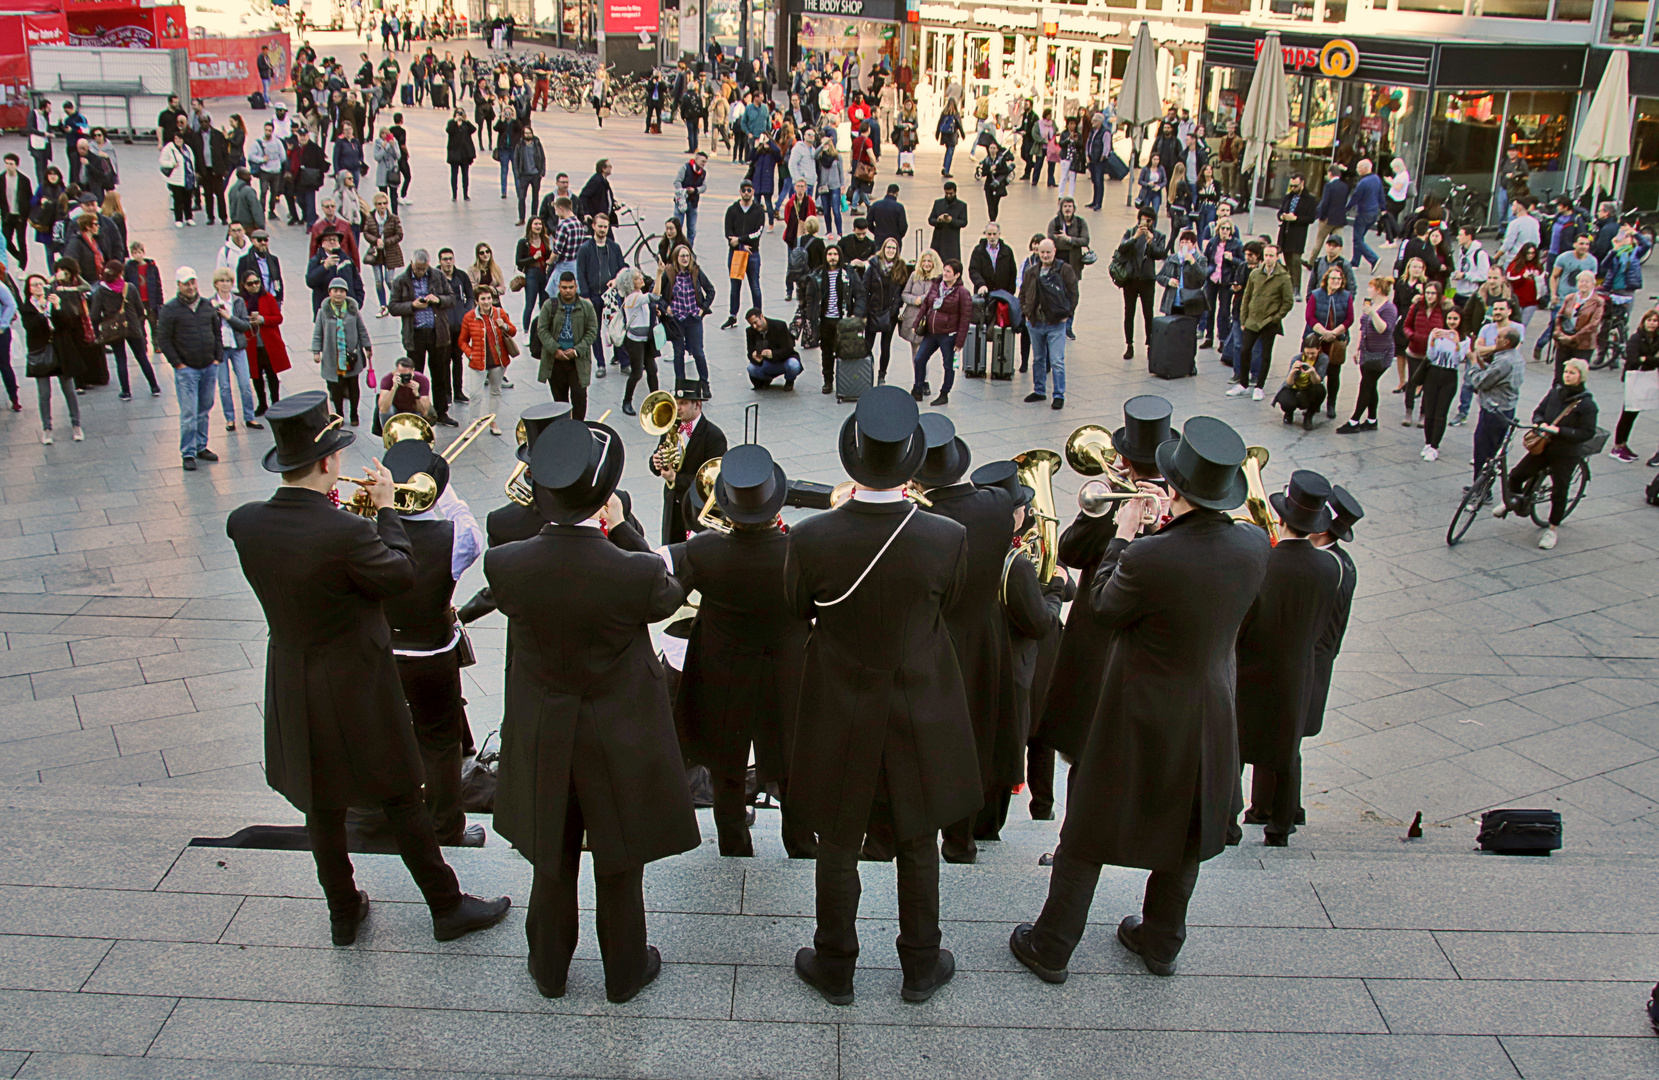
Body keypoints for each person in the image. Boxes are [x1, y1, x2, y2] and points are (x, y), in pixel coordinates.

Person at [228, 392, 511, 949]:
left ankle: (342, 910)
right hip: (356, 680)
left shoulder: (246, 524)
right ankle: (446, 906)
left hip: (291, 677)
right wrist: (384, 508)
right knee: (401, 791)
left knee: (322, 801)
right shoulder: (349, 532)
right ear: (329, 462)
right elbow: (400, 575)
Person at [1012, 416, 1268, 984]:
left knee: (1087, 828)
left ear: (1174, 490)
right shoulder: (1254, 544)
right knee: (1186, 828)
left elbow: (1102, 605)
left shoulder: (1151, 556)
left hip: (1138, 710)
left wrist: (1128, 531)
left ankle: (1052, 946)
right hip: (1209, 712)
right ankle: (1161, 941)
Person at [484, 413, 694, 1002]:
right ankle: (625, 969)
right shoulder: (633, 571)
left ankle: (548, 966)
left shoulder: (506, 564)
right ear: (604, 500)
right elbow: (670, 592)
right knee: (620, 858)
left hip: (545, 725)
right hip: (617, 728)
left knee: (550, 858)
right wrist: (623, 531)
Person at [786, 387, 977, 1007]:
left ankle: (836, 964)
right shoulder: (946, 536)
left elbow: (797, 610)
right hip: (917, 705)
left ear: (854, 459)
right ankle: (921, 963)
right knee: (918, 837)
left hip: (841, 703)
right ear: (910, 462)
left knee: (839, 840)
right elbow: (952, 603)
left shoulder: (813, 537)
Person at [669, 442, 813, 856]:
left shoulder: (702, 548)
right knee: (790, 762)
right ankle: (800, 842)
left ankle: (734, 842)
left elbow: (663, 583)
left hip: (724, 668)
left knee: (726, 763)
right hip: (784, 668)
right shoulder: (797, 550)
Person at [913, 416, 1023, 860]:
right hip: (985, 636)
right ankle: (963, 838)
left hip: (935, 636)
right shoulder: (997, 503)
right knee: (976, 732)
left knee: (931, 737)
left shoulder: (921, 518)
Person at [1234, 470, 1343, 846]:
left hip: (1251, 667)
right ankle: (1280, 826)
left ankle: (1229, 824)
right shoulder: (1331, 567)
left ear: (1281, 519)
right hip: (1298, 669)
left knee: (1235, 746)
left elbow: (1243, 619)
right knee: (1286, 750)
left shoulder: (1262, 561)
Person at [1495, 357, 1598, 550]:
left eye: (1572, 373)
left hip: (1566, 453)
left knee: (1560, 490)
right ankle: (1515, 502)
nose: (1567, 376)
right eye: (1566, 372)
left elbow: (1587, 433)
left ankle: (1552, 529)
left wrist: (1560, 431)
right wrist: (1539, 422)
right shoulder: (1556, 392)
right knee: (1516, 475)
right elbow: (1539, 411)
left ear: (1581, 376)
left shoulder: (1587, 405)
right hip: (1544, 446)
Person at [648, 381, 727, 545]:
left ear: (698, 405)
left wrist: (675, 479)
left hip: (696, 508)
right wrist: (656, 462)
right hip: (673, 504)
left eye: (683, 403)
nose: (678, 409)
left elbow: (711, 481)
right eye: (676, 404)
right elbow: (659, 458)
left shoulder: (713, 436)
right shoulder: (672, 428)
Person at [388, 249, 457, 426]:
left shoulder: (438, 276)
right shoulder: (401, 281)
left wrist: (438, 299)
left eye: (423, 269)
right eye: (418, 269)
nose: (420, 272)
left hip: (437, 333)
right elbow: (393, 307)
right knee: (414, 376)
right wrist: (412, 305)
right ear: (411, 263)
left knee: (440, 374)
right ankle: (415, 412)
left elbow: (451, 298)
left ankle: (441, 412)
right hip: (415, 334)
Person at [20, 271, 84, 443]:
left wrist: (58, 308)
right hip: (41, 352)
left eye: (41, 284)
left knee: (69, 389)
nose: (38, 287)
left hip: (61, 351)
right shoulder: (27, 307)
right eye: (34, 285)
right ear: (29, 289)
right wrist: (41, 312)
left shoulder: (54, 300)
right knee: (44, 393)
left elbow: (68, 324)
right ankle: (47, 428)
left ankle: (76, 425)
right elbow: (31, 328)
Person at [1227, 243, 1295, 400]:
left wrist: (1275, 318)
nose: (1268, 259)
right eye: (1266, 255)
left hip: (1269, 322)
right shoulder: (1255, 274)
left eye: (1271, 256)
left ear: (1277, 257)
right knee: (1245, 350)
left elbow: (1288, 302)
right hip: (1252, 319)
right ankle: (1243, 384)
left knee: (1265, 354)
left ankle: (1259, 386)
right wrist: (1244, 318)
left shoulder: (1283, 277)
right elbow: (1246, 297)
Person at [1021, 238, 1078, 410]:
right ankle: (1039, 390)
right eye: (1042, 252)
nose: (1045, 255)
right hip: (1035, 322)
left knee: (1056, 360)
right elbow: (1023, 292)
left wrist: (1067, 315)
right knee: (1038, 359)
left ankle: (1059, 394)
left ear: (1054, 252)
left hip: (1056, 323)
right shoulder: (1031, 271)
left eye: (1048, 252)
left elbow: (1073, 293)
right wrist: (1025, 312)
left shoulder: (1065, 270)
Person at [1337, 276, 1399, 434]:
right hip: (1367, 351)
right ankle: (1372, 419)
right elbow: (1362, 326)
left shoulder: (1389, 309)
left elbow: (1384, 329)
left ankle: (1354, 420)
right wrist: (1358, 348)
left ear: (1378, 290)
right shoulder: (1372, 304)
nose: (1368, 290)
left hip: (1381, 354)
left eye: (1370, 288)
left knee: (1366, 385)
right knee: (1370, 385)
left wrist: (1373, 314)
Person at [534, 272, 599, 419]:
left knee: (579, 398)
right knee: (560, 402)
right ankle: (564, 428)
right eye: (564, 287)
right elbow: (542, 330)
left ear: (576, 286)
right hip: (555, 362)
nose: (568, 291)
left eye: (571, 287)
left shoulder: (586, 306)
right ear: (559, 287)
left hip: (578, 361)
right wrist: (555, 349)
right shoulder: (550, 305)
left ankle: (578, 427)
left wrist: (577, 350)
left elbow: (592, 331)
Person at [311, 275, 372, 425]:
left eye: (342, 291)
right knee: (336, 387)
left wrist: (367, 347)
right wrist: (316, 351)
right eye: (335, 290)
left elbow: (361, 329)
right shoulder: (323, 311)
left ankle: (354, 414)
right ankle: (339, 414)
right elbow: (318, 332)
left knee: (353, 385)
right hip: (333, 356)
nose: (338, 294)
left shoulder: (353, 310)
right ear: (329, 292)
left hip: (351, 355)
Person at [911, 257, 971, 407]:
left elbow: (965, 318)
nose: (945, 273)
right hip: (931, 332)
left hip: (948, 334)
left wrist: (960, 341)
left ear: (957, 275)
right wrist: (916, 322)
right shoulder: (936, 285)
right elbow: (925, 305)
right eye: (944, 270)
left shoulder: (962, 292)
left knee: (948, 364)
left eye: (948, 271)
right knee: (919, 358)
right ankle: (918, 387)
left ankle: (944, 393)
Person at [658, 244, 715, 396]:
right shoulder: (669, 272)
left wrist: (703, 308)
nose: (685, 259)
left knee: (698, 352)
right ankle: (680, 385)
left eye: (687, 256)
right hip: (676, 319)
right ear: (676, 258)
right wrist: (666, 308)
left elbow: (710, 290)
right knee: (678, 353)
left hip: (693, 317)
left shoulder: (695, 271)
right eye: (682, 256)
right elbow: (656, 294)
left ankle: (704, 383)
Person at [204, 267, 256, 432]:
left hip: (237, 346)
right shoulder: (209, 302)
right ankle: (230, 418)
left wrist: (228, 317)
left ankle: (249, 417)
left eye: (228, 281)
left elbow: (244, 325)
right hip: (220, 349)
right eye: (221, 281)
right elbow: (207, 326)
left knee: (244, 384)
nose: (225, 284)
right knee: (224, 386)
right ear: (216, 284)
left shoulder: (238, 301)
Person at [457, 284, 514, 435]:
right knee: (476, 394)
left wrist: (505, 326)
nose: (487, 302)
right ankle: (473, 425)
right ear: (477, 301)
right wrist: (470, 354)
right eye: (483, 299)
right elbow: (462, 341)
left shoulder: (499, 313)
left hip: (498, 360)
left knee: (495, 392)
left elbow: (513, 331)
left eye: (489, 298)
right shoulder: (469, 317)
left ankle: (492, 422)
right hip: (478, 362)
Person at [576, 218, 625, 378]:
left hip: (611, 294)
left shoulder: (614, 247)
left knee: (617, 326)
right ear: (594, 226)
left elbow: (622, 268)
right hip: (593, 295)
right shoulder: (585, 249)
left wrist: (616, 281)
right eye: (600, 226)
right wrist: (585, 296)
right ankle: (600, 364)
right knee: (594, 330)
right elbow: (580, 273)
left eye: (605, 226)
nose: (603, 229)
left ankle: (623, 360)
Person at [1116, 208, 1166, 361]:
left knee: (1148, 314)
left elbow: (1160, 255)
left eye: (1149, 221)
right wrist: (1135, 237)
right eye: (1143, 220)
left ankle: (1150, 345)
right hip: (1130, 279)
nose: (1145, 224)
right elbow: (1121, 249)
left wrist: (1151, 241)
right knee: (1129, 313)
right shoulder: (1130, 232)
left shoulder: (1158, 236)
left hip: (1147, 279)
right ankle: (1129, 345)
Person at [1305, 264, 1353, 419]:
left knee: (1334, 373)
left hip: (1335, 340)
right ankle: (1314, 402)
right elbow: (1310, 317)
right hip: (1317, 339)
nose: (1336, 281)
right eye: (1333, 278)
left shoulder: (1346, 296)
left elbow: (1349, 319)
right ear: (1326, 279)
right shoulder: (1316, 294)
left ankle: (1331, 403)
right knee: (1315, 370)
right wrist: (1324, 332)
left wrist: (1334, 333)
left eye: (1339, 279)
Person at [1611, 309, 1659, 464]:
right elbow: (1633, 359)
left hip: (1647, 379)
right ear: (1644, 321)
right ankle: (1618, 446)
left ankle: (1623, 445)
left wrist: (1645, 358)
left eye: (1655, 321)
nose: (1652, 323)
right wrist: (1650, 359)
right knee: (1628, 413)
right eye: (1649, 320)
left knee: (1634, 412)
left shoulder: (1656, 339)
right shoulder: (1636, 338)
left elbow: (1643, 359)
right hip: (1635, 378)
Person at [617, 269, 661, 415]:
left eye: (640, 276)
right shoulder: (632, 297)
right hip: (635, 341)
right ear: (630, 283)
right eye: (636, 278)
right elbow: (655, 295)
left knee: (652, 370)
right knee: (637, 373)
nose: (641, 279)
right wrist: (659, 273)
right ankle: (627, 401)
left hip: (646, 339)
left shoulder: (639, 296)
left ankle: (656, 400)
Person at [1274, 334, 1329, 430]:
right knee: (1286, 401)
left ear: (1319, 349)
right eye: (1307, 353)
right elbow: (1288, 383)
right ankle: (1288, 412)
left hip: (1309, 389)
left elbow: (1317, 381)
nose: (1310, 356)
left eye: (1313, 353)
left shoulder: (1323, 359)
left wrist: (1312, 372)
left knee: (1320, 390)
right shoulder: (1297, 358)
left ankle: (1308, 416)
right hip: (1294, 388)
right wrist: (1292, 372)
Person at [362, 191, 404, 316]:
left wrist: (385, 242)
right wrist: (376, 241)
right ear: (375, 205)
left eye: (384, 203)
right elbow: (366, 232)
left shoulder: (393, 218)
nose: (382, 206)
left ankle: (397, 299)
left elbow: (399, 235)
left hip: (390, 252)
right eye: (379, 203)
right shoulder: (370, 217)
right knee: (378, 280)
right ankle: (383, 305)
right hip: (376, 254)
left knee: (389, 280)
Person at [306, 227, 365, 315]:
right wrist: (325, 267)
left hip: (348, 311)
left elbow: (358, 284)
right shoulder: (316, 261)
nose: (332, 242)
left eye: (335, 239)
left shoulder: (347, 260)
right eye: (329, 240)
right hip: (326, 313)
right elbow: (310, 281)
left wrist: (356, 304)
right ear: (322, 243)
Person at [1276, 173, 1316, 296]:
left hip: (1298, 233)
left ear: (1302, 183)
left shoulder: (1309, 199)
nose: (1293, 188)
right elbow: (1280, 212)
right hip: (1285, 232)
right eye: (1291, 186)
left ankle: (1296, 287)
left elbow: (1311, 218)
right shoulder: (1288, 197)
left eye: (1295, 186)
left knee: (1296, 260)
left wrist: (1296, 218)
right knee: (1287, 260)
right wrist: (1282, 216)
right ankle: (1289, 284)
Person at [745, 308, 801, 389]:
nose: (754, 326)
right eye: (751, 324)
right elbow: (750, 352)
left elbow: (789, 349)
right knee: (751, 368)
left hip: (784, 361)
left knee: (793, 365)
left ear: (761, 316)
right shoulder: (750, 331)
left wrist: (772, 354)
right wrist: (755, 358)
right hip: (766, 363)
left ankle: (789, 380)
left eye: (755, 322)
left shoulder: (779, 326)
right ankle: (766, 380)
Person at [1345, 158, 1384, 272]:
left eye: (1359, 168)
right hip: (1373, 213)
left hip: (1363, 213)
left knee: (1357, 239)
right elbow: (1381, 194)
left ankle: (1373, 259)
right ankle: (1355, 262)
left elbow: (1355, 197)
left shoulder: (1363, 182)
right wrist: (1383, 209)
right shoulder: (1377, 179)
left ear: (1365, 169)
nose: (1357, 170)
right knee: (1360, 237)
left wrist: (1346, 208)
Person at [515, 216, 552, 328]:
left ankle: (543, 328)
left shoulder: (545, 240)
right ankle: (526, 330)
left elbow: (548, 256)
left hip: (543, 273)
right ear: (530, 226)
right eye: (535, 224)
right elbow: (518, 261)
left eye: (540, 224)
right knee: (530, 304)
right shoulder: (523, 242)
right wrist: (533, 258)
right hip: (531, 274)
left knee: (544, 304)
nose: (538, 226)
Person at [158, 130, 198, 227]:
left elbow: (192, 162)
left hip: (188, 178)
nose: (178, 140)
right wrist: (171, 164)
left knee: (188, 199)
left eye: (180, 138)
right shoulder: (169, 148)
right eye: (176, 138)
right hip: (176, 179)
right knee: (178, 199)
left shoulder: (187, 148)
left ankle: (189, 218)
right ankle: (178, 219)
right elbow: (162, 161)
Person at [672, 151, 708, 246]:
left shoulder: (703, 173)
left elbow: (704, 187)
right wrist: (682, 192)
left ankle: (689, 249)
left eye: (705, 162)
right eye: (702, 161)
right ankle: (675, 248)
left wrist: (695, 190)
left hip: (693, 203)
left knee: (692, 229)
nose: (703, 163)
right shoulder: (685, 168)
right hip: (681, 202)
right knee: (677, 227)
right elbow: (677, 182)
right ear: (696, 159)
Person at [1311, 163, 1349, 255]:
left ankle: (1311, 262)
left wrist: (1321, 216)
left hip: (1328, 218)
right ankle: (1337, 261)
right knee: (1337, 243)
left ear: (1330, 173)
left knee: (1319, 241)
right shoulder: (1345, 186)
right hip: (1340, 219)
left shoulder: (1328, 186)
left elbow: (1325, 202)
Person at [927, 181, 969, 264]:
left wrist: (952, 221)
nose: (948, 196)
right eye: (947, 193)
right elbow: (931, 219)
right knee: (936, 263)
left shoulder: (961, 205)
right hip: (938, 239)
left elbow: (964, 222)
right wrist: (938, 220)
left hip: (952, 241)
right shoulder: (938, 203)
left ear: (955, 192)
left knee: (952, 263)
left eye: (951, 193)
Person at [445, 108, 476, 200]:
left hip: (465, 154)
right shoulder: (451, 123)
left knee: (465, 175)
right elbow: (448, 130)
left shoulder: (466, 124)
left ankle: (465, 194)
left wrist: (466, 120)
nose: (460, 115)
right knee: (454, 174)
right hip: (454, 154)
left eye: (461, 113)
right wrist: (455, 121)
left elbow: (473, 129)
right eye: (458, 113)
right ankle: (454, 194)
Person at [935, 98, 962, 178]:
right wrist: (963, 134)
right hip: (952, 135)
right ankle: (946, 170)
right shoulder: (955, 113)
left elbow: (939, 123)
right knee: (950, 152)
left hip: (945, 135)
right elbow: (959, 125)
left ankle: (944, 167)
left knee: (948, 151)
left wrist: (937, 134)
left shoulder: (944, 113)